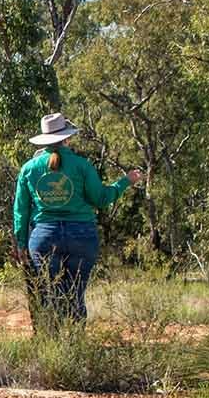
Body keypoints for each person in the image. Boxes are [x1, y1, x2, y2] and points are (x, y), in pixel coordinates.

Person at [12, 113, 143, 331]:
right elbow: (101, 198)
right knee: (75, 293)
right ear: (67, 138)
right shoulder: (82, 165)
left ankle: (49, 346)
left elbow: (21, 211)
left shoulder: (29, 168)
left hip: (44, 237)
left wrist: (20, 243)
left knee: (48, 294)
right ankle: (75, 345)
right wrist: (125, 182)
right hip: (81, 235)